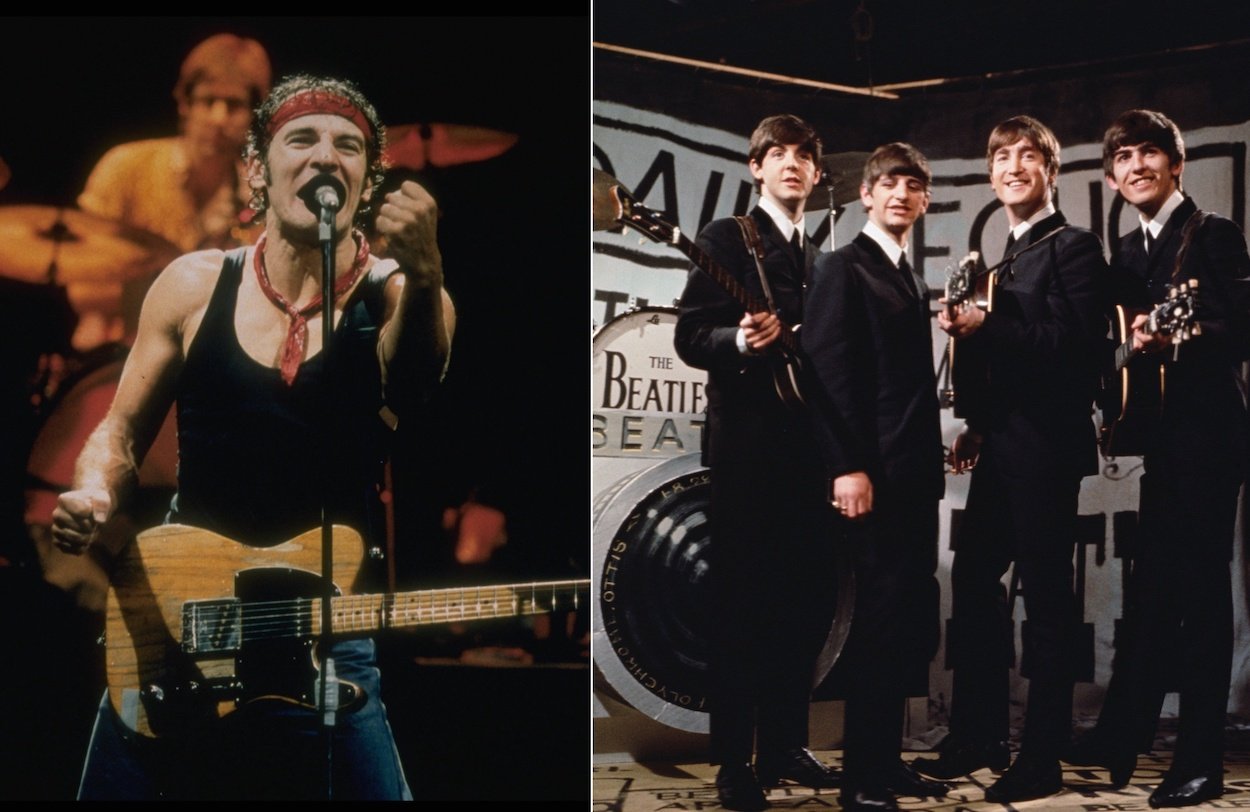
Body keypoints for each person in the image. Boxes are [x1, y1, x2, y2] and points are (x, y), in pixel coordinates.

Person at [50, 73, 455, 800]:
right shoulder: (193, 285)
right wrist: (92, 489)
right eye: (302, 139)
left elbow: (417, 381)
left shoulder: (400, 295)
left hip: (326, 631)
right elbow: (118, 433)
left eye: (349, 147)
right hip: (181, 614)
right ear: (258, 172)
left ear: (369, 182)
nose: (326, 157)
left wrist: (425, 278)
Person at [915, 115, 1108, 803]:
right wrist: (973, 422)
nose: (1013, 166)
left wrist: (987, 323)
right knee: (971, 584)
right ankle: (978, 736)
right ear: (991, 174)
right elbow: (998, 361)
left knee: (1048, 605)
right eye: (1001, 157)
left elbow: (1080, 352)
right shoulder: (1002, 263)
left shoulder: (1075, 250)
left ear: (1051, 172)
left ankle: (1042, 757)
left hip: (1048, 449)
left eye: (1029, 156)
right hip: (1001, 445)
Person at [1063, 109, 1250, 808]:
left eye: (1150, 154)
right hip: (1164, 443)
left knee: (1199, 599)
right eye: (1125, 158)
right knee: (1151, 593)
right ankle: (1122, 733)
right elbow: (1117, 341)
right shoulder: (1133, 251)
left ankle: (1199, 762)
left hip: (1208, 438)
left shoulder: (1212, 234)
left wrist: (1185, 334)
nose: (1137, 166)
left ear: (1176, 164)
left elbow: (1242, 323)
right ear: (1112, 177)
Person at [673, 113, 840, 811]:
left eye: (804, 155)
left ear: (818, 173)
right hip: (747, 450)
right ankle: (734, 761)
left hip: (810, 452)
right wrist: (738, 340)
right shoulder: (726, 239)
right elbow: (689, 335)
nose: (792, 164)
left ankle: (784, 743)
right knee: (742, 606)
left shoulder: (825, 256)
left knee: (805, 604)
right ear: (757, 167)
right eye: (779, 154)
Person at [800, 143, 950, 812]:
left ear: (924, 201)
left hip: (915, 481)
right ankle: (861, 777)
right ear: (866, 194)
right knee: (873, 627)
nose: (900, 193)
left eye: (912, 185)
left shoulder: (911, 279)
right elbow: (826, 378)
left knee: (904, 626)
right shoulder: (841, 267)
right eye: (889, 182)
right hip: (870, 479)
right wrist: (844, 465)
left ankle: (887, 764)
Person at [73, 33, 272, 349]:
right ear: (184, 104)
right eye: (208, 101)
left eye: (234, 105)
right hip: (118, 353)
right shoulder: (125, 167)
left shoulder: (260, 193)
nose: (218, 119)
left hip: (209, 360)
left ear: (253, 115)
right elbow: (81, 288)